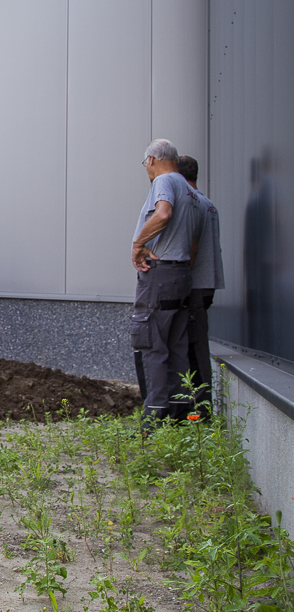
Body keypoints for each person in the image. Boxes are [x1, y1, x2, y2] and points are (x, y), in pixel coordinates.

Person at [131, 139, 199, 429]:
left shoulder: (164, 181)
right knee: (177, 344)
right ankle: (182, 414)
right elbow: (194, 239)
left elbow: (163, 213)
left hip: (159, 277)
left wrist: (138, 243)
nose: (146, 167)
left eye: (145, 162)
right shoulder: (190, 190)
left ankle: (153, 418)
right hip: (181, 274)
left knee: (153, 343)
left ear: (153, 159)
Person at [176, 153, 224, 414]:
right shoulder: (208, 202)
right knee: (196, 345)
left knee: (194, 348)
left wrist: (181, 279)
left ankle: (201, 410)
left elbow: (192, 246)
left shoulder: (194, 203)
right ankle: (199, 407)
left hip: (195, 285)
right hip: (207, 284)